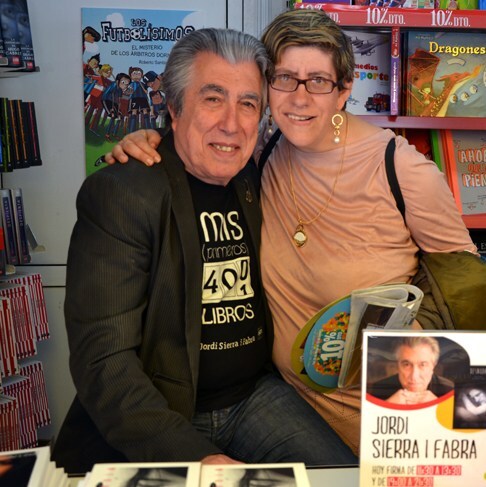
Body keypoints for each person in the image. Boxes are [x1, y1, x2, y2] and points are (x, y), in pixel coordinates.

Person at [104, 10, 478, 454]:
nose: (300, 98)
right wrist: (150, 140)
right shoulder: (261, 151)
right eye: (284, 78)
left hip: (387, 418)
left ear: (344, 90)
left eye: (318, 81)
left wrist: (401, 337)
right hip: (282, 405)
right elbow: (200, 135)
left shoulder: (402, 170)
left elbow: (468, 298)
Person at [52, 27, 357, 475]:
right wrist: (197, 458)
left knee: (346, 479)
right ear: (175, 108)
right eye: (213, 99)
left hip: (252, 397)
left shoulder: (253, 175)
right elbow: (103, 360)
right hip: (165, 409)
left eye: (248, 104)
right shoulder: (122, 193)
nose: (231, 124)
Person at [368, 336, 453, 405]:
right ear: (398, 366)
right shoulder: (379, 389)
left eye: (423, 365)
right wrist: (386, 407)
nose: (414, 376)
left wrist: (439, 406)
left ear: (433, 366)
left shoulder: (448, 390)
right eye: (407, 365)